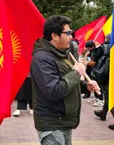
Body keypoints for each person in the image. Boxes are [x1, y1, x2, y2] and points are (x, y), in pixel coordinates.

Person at [30, 15, 100, 145]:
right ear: (55, 36)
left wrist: (85, 86)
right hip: (52, 123)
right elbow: (53, 90)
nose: (71, 36)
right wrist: (75, 73)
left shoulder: (62, 53)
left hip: (63, 121)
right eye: (68, 33)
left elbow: (65, 81)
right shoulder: (42, 59)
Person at [93, 34, 114, 132]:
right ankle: (103, 113)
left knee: (110, 98)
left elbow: (93, 60)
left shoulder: (103, 47)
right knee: (108, 95)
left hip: (105, 76)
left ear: (106, 39)